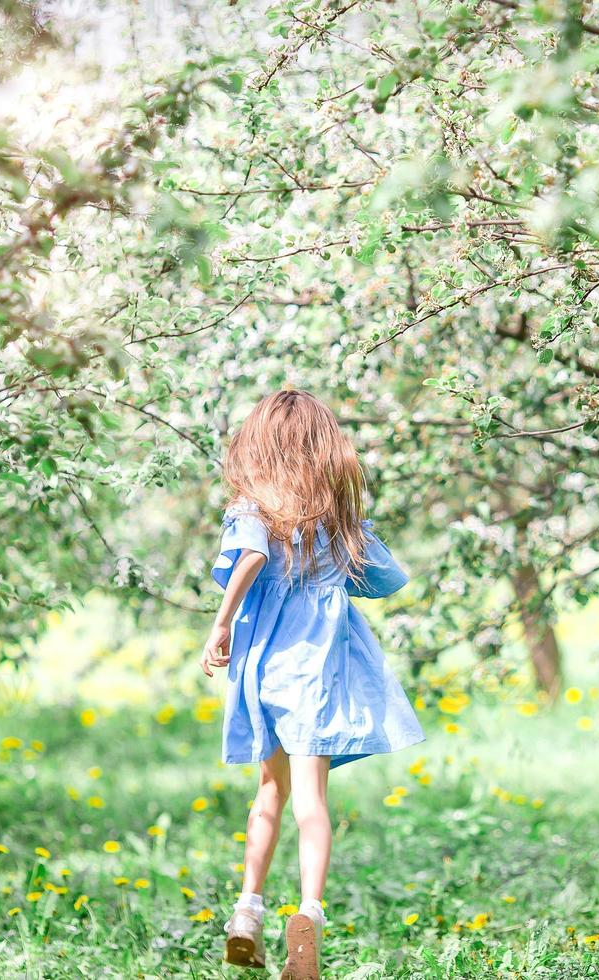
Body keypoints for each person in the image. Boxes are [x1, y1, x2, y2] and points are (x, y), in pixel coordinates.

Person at [202, 389, 425, 979]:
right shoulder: (331, 519)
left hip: (266, 673)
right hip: (318, 675)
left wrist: (222, 623)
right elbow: (385, 579)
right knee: (313, 802)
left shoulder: (255, 509)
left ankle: (246, 913)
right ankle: (308, 914)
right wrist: (346, 535)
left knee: (267, 795)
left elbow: (249, 557)